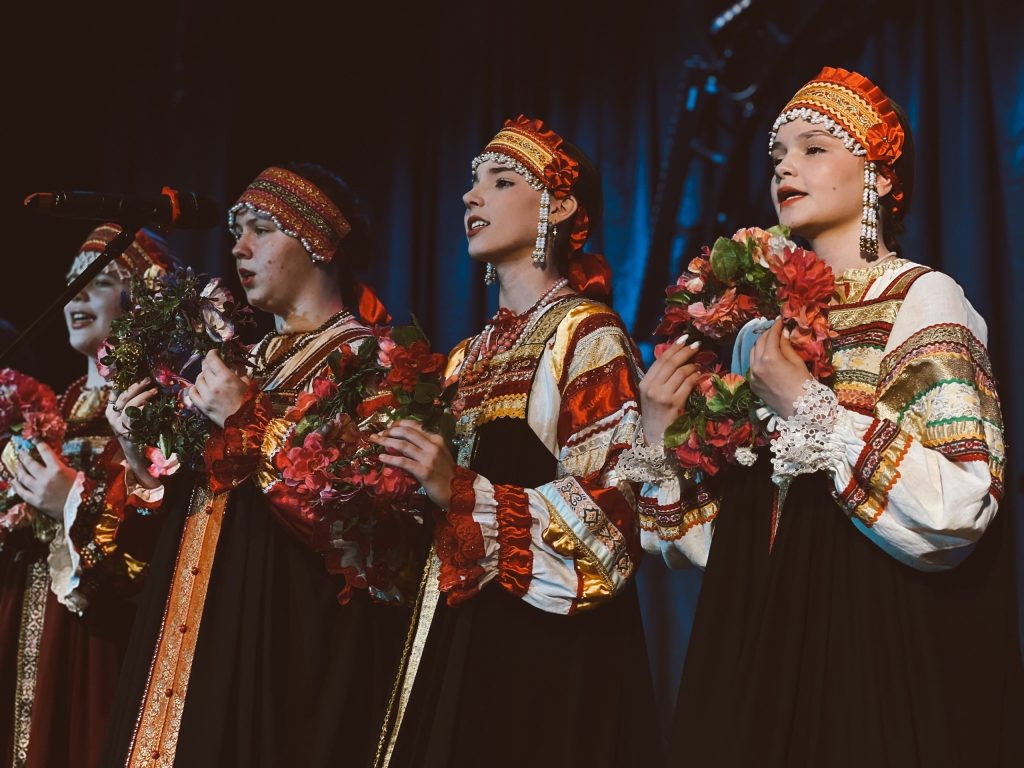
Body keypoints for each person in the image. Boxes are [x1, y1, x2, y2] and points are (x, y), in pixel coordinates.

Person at [636, 67, 1023, 766]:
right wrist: (662, 440)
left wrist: (810, 407)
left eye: (814, 148)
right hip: (762, 638)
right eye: (778, 155)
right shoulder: (758, 333)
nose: (786, 166)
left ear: (879, 175)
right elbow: (721, 549)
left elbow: (962, 502)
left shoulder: (922, 296)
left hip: (868, 639)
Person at [99, 164, 423, 768]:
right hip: (197, 634)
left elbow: (375, 539)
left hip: (286, 643)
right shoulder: (236, 363)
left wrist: (248, 421)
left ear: (319, 241)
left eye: (261, 229)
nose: (238, 248)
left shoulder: (372, 362)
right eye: (235, 232)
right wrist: (140, 462)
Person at [372, 116, 660, 768]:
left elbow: (613, 514)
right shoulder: (463, 359)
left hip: (545, 653)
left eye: (501, 181)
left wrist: (458, 489)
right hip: (456, 635)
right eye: (473, 182)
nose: (471, 196)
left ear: (561, 205)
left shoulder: (586, 335)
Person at [1, 224, 170, 768]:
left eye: (98, 281)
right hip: (35, 617)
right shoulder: (63, 402)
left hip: (100, 633)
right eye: (73, 283)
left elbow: (155, 534)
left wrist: (70, 499)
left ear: (139, 296)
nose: (77, 296)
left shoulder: (152, 404)